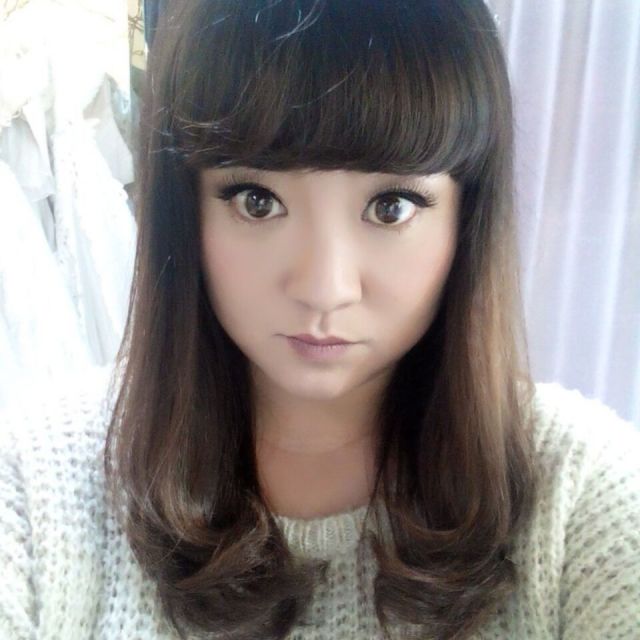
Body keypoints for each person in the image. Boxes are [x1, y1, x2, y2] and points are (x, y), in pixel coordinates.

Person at [1, 0, 639, 638]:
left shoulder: (584, 495)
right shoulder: (36, 485)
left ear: (465, 217)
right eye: (257, 201)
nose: (324, 289)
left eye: (391, 207)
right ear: (185, 208)